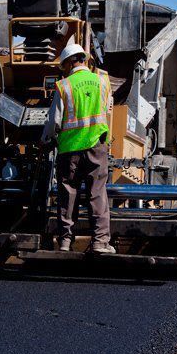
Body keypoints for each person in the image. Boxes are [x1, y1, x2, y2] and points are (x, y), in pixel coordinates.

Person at [41, 43, 115, 254]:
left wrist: (45, 140)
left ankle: (65, 242)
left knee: (68, 195)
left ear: (70, 62)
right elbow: (107, 109)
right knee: (97, 194)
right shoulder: (102, 82)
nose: (62, 69)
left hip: (69, 150)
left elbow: (54, 121)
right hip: (96, 147)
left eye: (63, 65)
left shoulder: (64, 86)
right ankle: (100, 242)